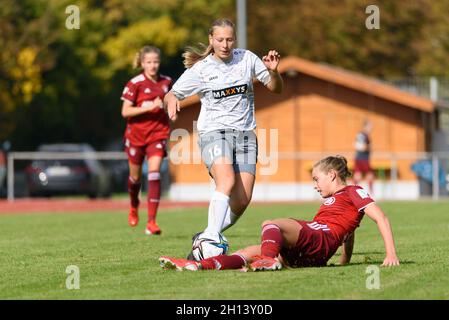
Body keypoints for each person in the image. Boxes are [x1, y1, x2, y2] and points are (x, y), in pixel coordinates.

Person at [164, 18, 283, 254]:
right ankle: (210, 238)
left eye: (229, 39)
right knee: (226, 181)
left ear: (235, 40)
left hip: (246, 136)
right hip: (213, 132)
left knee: (242, 199)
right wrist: (172, 103)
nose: (225, 44)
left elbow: (276, 88)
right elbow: (172, 93)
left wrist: (273, 72)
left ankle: (207, 234)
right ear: (211, 39)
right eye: (220, 40)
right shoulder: (201, 69)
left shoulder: (247, 58)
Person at [159, 155, 400, 271]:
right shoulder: (338, 201)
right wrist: (344, 261)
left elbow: (381, 217)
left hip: (319, 239)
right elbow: (349, 231)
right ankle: (198, 265)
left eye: (317, 179)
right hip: (312, 251)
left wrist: (390, 254)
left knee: (271, 224)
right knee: (246, 253)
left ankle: (270, 260)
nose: (315, 185)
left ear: (332, 175)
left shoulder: (353, 191)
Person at [120, 45, 172, 235]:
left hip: (157, 134)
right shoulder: (135, 83)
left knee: (154, 173)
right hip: (135, 137)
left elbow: (172, 102)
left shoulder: (167, 82)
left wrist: (171, 109)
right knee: (135, 179)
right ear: (142, 63)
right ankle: (134, 205)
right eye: (149, 62)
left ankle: (152, 222)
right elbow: (125, 111)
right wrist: (148, 107)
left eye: (156, 62)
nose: (153, 65)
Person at [353, 120, 375, 194]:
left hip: (362, 158)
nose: (371, 128)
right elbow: (359, 146)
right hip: (362, 158)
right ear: (365, 126)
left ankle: (353, 192)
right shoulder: (362, 135)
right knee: (369, 175)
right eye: (370, 126)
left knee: (358, 175)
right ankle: (371, 194)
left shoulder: (364, 135)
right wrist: (369, 147)